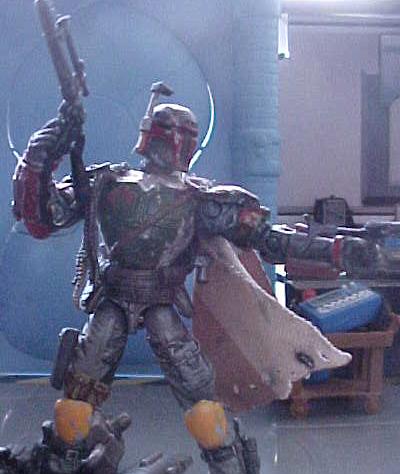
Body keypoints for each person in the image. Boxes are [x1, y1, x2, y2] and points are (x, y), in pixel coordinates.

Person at [9, 83, 374, 474]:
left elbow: (268, 239)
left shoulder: (191, 196)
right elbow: (42, 215)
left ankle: (226, 464)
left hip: (155, 303)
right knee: (85, 392)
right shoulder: (111, 182)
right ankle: (63, 461)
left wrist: (333, 250)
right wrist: (43, 152)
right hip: (115, 299)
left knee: (194, 397)